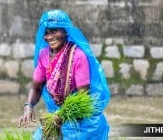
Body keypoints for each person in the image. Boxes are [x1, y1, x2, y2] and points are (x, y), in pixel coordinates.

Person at [17, 9, 110, 140]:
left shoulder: (78, 56)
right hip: (56, 117)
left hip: (80, 123)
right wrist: (29, 105)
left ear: (65, 31)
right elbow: (36, 87)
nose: (49, 37)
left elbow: (82, 96)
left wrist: (62, 116)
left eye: (54, 31)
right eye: (47, 33)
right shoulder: (44, 54)